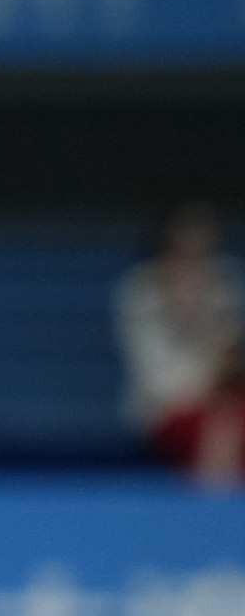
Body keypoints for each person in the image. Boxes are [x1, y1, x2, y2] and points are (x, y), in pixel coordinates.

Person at [116, 201, 245, 486]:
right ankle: (212, 510)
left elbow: (233, 360)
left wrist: (203, 318)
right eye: (183, 251)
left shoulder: (223, 286)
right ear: (165, 248)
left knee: (230, 418)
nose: (193, 261)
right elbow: (155, 381)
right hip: (166, 409)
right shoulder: (140, 292)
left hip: (224, 404)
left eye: (202, 252)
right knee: (221, 426)